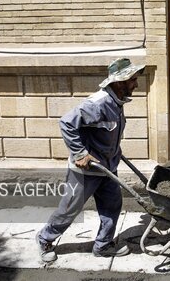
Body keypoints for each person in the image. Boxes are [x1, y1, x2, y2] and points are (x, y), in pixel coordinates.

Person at [36, 57, 145, 262]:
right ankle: (44, 239)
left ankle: (103, 245)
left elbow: (106, 132)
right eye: (133, 79)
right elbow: (67, 123)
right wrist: (80, 153)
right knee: (70, 209)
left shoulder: (117, 102)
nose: (136, 84)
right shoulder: (98, 103)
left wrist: (114, 152)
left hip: (107, 168)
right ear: (120, 82)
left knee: (112, 205)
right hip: (86, 171)